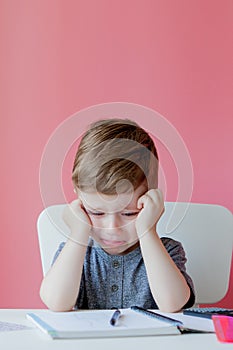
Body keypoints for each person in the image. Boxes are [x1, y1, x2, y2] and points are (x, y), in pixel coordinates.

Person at [40, 118, 195, 312]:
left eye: (129, 213)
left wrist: (147, 231)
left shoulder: (168, 251)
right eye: (96, 212)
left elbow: (173, 304)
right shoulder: (76, 253)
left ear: (149, 202)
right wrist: (77, 234)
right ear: (79, 201)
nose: (112, 228)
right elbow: (56, 303)